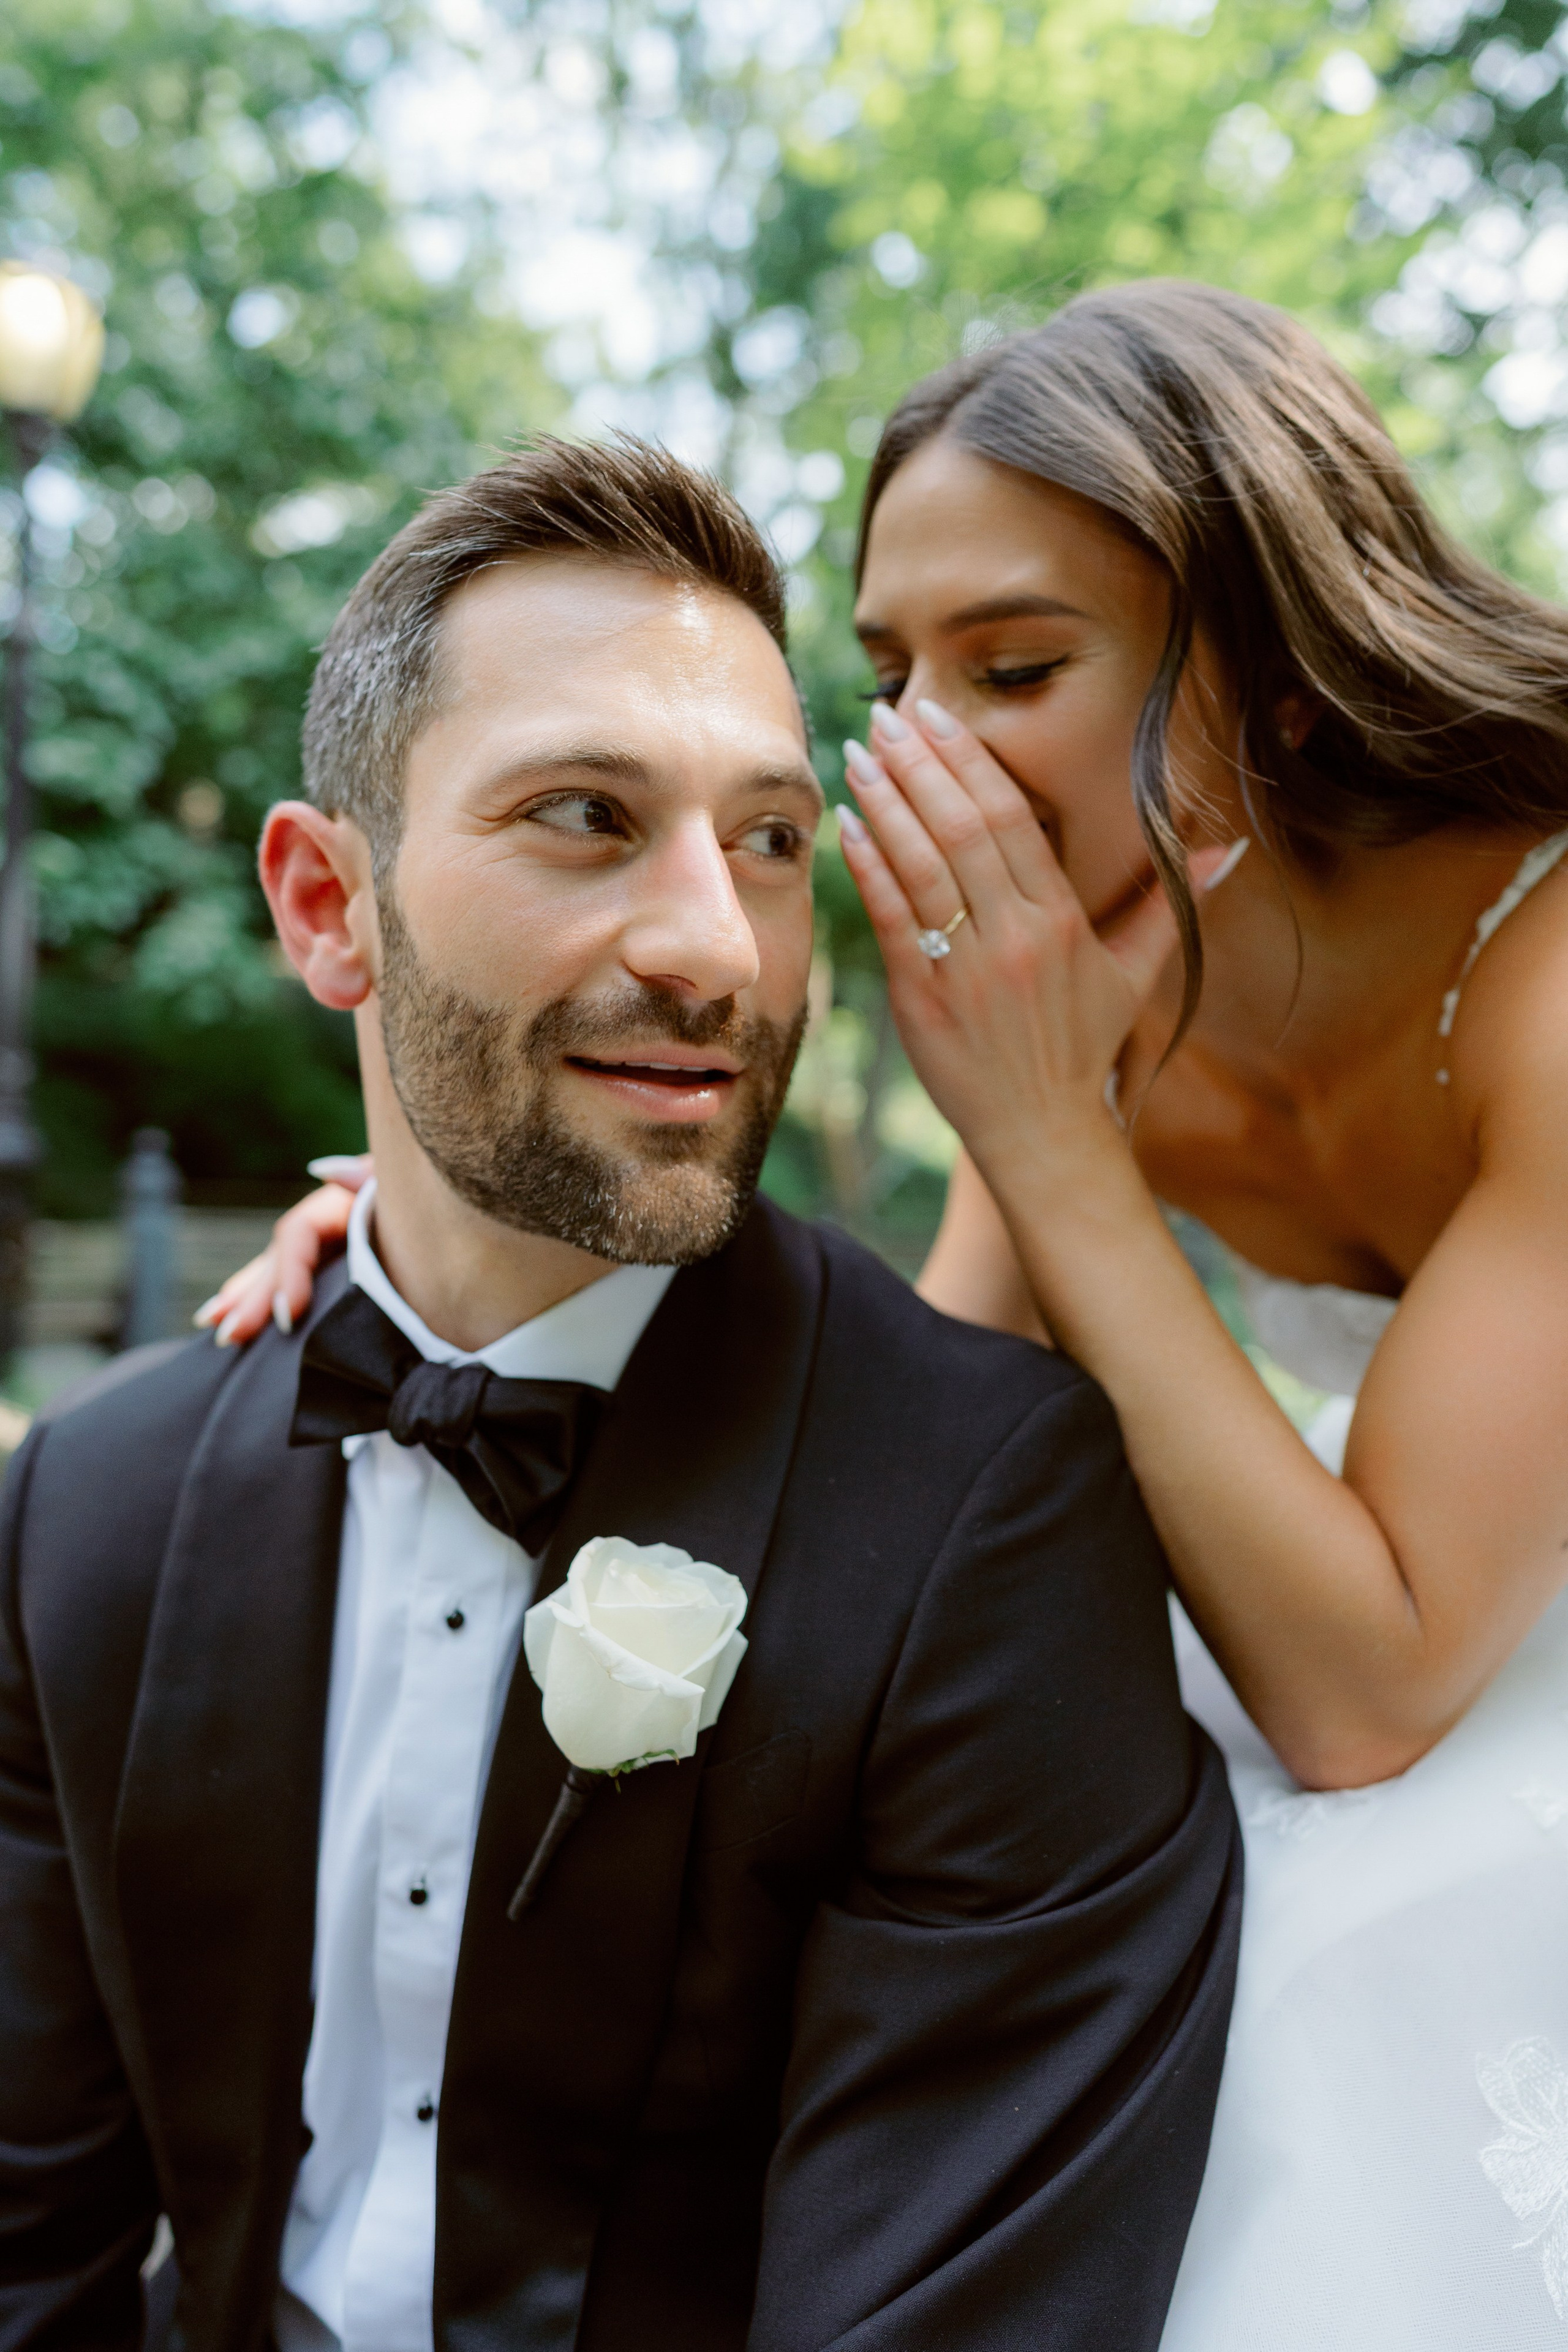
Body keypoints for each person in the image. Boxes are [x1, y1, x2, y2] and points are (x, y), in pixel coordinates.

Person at [226, 282, 1568, 2348]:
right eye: (893, 674)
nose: (916, 750)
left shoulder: (1546, 977)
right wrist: (441, 1263)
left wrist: (1046, 1136)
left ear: (1276, 665)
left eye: (1014, 666)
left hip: (1466, 1685)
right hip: (1359, 1615)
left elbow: (1367, 1698)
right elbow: (912, 1434)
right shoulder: (1121, 949)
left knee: (1273, 2006)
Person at [0, 437, 1239, 2352]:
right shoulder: (82, 1509)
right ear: (330, 908)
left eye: (764, 840)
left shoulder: (989, 1520)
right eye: (585, 814)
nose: (716, 947)